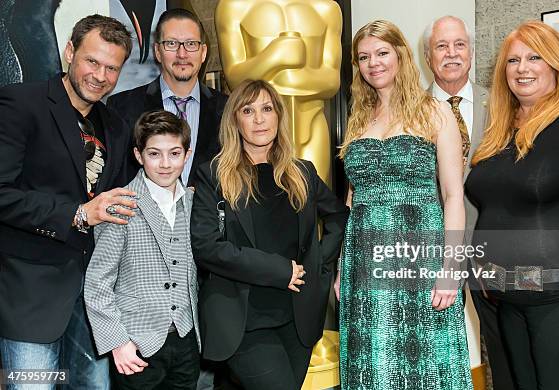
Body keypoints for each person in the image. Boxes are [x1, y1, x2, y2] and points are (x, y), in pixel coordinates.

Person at [465, 21, 559, 389]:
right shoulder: (502, 127)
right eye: (513, 60)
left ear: (557, 63)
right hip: (502, 296)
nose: (522, 68)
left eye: (534, 57)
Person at [335, 20, 472, 389]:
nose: (373, 63)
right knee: (374, 362)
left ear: (401, 54)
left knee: (425, 363)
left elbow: (453, 195)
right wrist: (339, 266)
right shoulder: (357, 119)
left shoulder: (434, 112)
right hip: (363, 257)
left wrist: (451, 266)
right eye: (364, 57)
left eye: (382, 53)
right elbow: (351, 198)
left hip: (420, 256)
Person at [0, 14, 134, 390]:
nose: (100, 75)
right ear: (69, 51)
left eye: (112, 68)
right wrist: (77, 214)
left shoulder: (116, 126)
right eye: (92, 61)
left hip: (94, 303)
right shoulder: (21, 104)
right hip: (31, 296)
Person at [190, 79, 348, 390]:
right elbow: (207, 246)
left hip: (298, 318)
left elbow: (339, 217)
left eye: (267, 108)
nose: (259, 119)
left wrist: (318, 263)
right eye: (248, 110)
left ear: (279, 115)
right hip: (243, 321)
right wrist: (278, 269)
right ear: (235, 120)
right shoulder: (214, 175)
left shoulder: (302, 172)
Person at [423, 15, 515, 390]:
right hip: (432, 241)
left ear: (471, 51)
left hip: (494, 241)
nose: (452, 54)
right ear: (428, 56)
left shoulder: (502, 105)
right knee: (438, 342)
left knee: (501, 339)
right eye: (442, 47)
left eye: (459, 45)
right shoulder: (412, 110)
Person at [84, 110, 200, 389]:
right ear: (138, 155)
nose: (165, 164)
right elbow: (97, 283)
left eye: (174, 154)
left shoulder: (195, 203)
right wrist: (118, 342)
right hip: (136, 346)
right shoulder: (120, 204)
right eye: (154, 154)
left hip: (186, 341)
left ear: (187, 154)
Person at [215, 0, 342, 184]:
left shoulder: (326, 8)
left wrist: (290, 77)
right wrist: (275, 55)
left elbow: (332, 80)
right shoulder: (234, 7)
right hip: (258, 128)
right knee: (260, 199)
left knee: (314, 199)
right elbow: (235, 78)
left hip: (310, 121)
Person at [107, 8, 227, 186]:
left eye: (191, 44)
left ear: (203, 52)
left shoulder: (227, 109)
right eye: (171, 43)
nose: (182, 54)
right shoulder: (122, 107)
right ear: (157, 51)